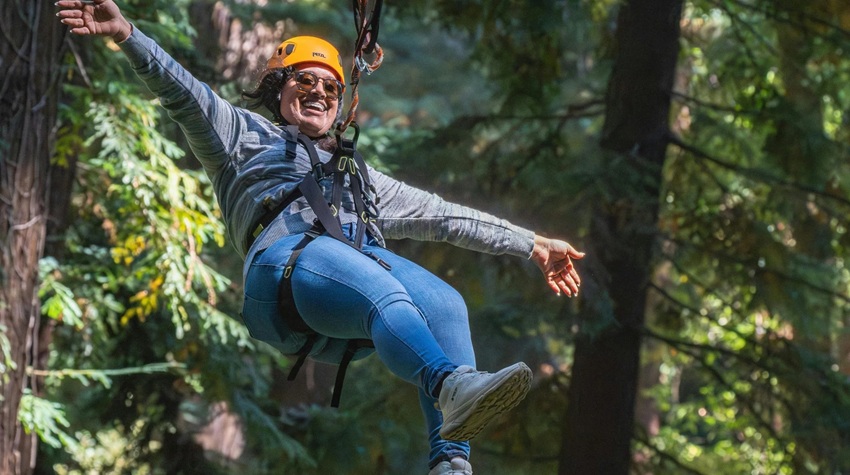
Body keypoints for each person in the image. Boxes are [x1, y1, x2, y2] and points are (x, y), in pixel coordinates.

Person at [56, 1, 585, 474]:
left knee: (446, 303)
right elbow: (183, 92)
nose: (318, 93)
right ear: (277, 88)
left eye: (330, 87)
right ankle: (449, 385)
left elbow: (443, 216)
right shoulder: (240, 135)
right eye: (303, 82)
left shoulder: (359, 175)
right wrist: (126, 32)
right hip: (282, 272)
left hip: (347, 295)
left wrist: (532, 243)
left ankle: (450, 464)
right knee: (384, 288)